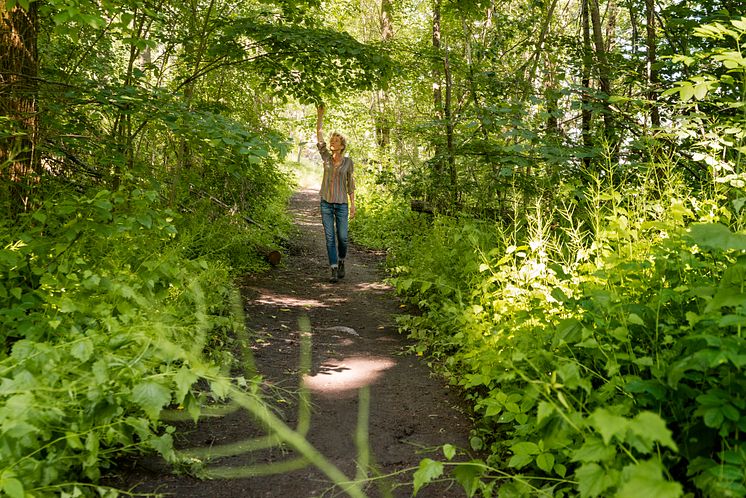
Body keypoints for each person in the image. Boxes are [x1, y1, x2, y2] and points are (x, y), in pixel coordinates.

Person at [315, 104, 355, 283]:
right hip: (326, 202)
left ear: (342, 145)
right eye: (332, 140)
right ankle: (333, 268)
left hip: (342, 204)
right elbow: (319, 135)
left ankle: (341, 261)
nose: (332, 143)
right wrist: (320, 116)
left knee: (343, 238)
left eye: (336, 141)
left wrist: (353, 204)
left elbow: (350, 183)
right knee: (330, 237)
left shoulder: (348, 162)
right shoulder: (325, 157)